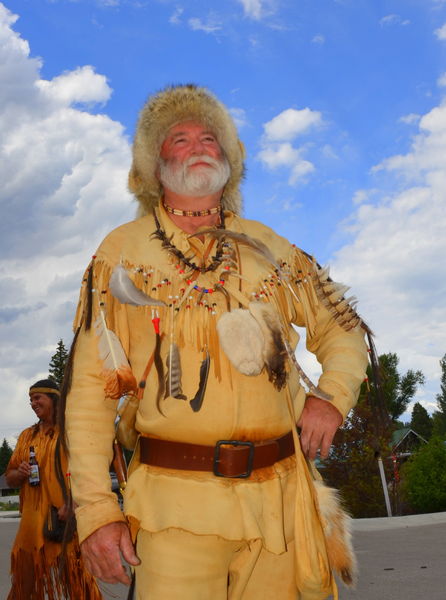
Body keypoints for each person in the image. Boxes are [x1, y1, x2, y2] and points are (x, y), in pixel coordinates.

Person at [64, 84, 370, 599]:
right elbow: (92, 391)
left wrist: (331, 398)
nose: (199, 146)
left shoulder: (272, 247)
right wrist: (96, 512)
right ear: (152, 164)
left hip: (279, 498)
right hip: (174, 503)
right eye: (179, 139)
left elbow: (341, 326)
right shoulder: (121, 253)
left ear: (229, 156)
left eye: (210, 137)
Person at [5, 379, 102, 600]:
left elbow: (91, 474)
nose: (33, 403)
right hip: (31, 525)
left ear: (54, 399)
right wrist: (18, 473)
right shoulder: (26, 437)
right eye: (30, 399)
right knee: (22, 587)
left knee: (80, 587)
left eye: (37, 398)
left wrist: (73, 502)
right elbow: (9, 479)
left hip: (63, 521)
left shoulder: (72, 433)